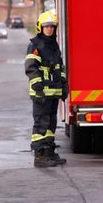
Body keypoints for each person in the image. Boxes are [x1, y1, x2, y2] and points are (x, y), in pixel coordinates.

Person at [25, 11, 68, 167]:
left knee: (51, 124)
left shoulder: (54, 45)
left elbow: (59, 67)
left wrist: (63, 84)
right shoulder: (35, 44)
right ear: (40, 27)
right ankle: (39, 155)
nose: (49, 29)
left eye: (52, 26)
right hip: (41, 93)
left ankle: (49, 152)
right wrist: (37, 84)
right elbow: (30, 66)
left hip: (53, 93)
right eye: (46, 26)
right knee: (41, 124)